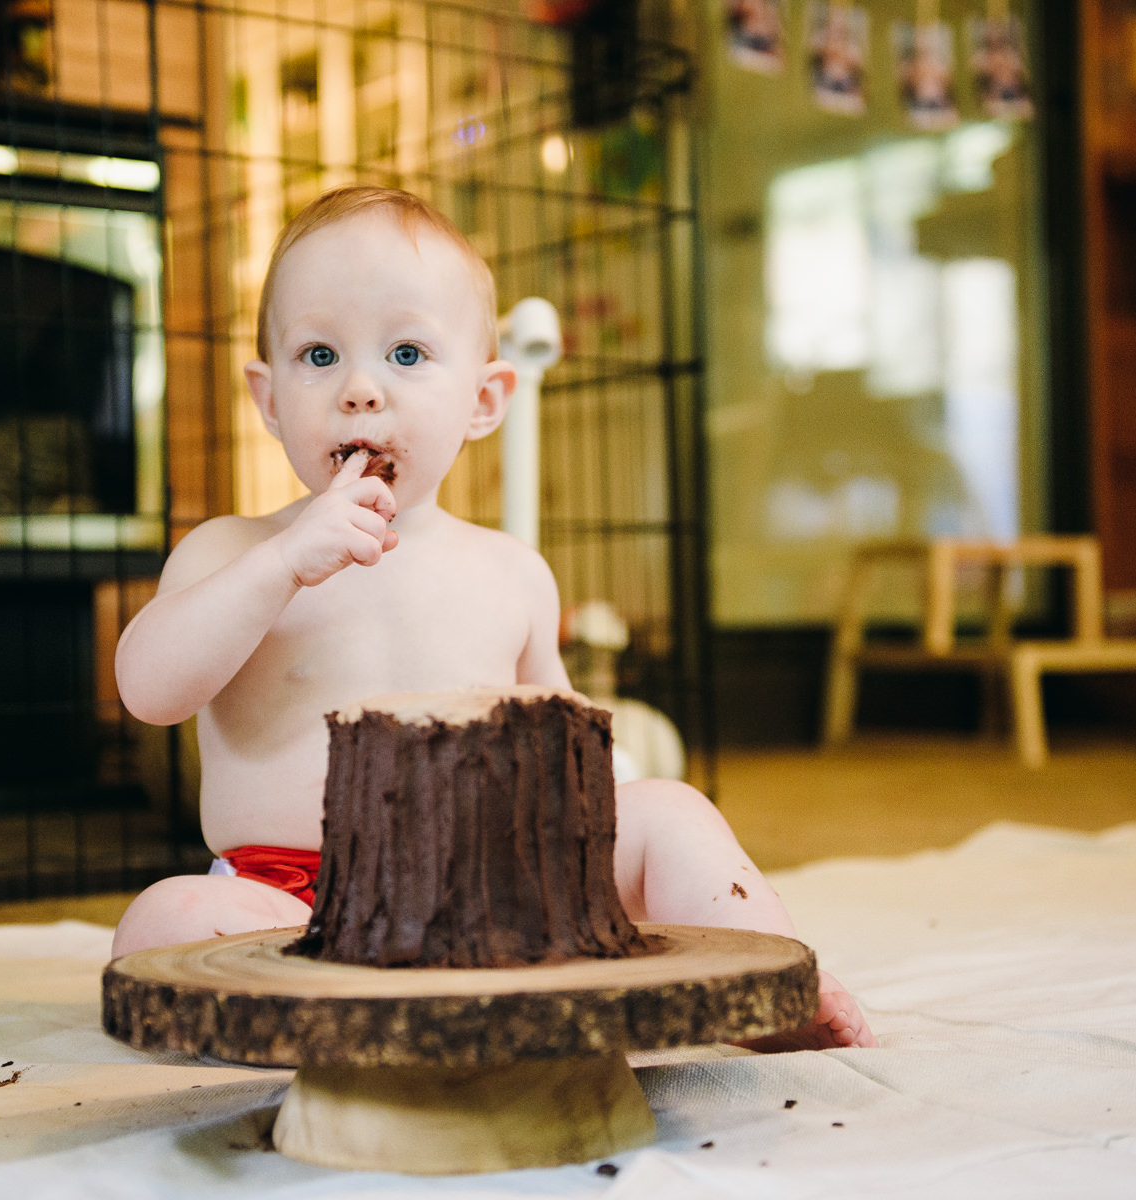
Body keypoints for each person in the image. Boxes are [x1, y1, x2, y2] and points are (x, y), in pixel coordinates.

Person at [111, 185, 876, 1051]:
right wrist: (282, 566)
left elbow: (564, 749)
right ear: (269, 397)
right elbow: (148, 691)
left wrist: (613, 812)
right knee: (163, 919)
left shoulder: (511, 572)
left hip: (494, 884)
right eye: (318, 355)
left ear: (483, 400)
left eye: (405, 353)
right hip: (292, 901)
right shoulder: (229, 552)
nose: (360, 390)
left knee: (674, 813)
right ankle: (405, 1014)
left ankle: (767, 978)